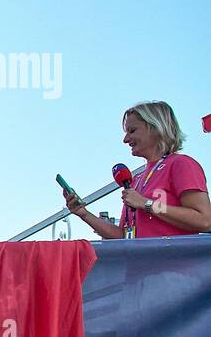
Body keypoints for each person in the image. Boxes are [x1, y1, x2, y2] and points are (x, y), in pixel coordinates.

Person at [64, 101, 211, 238]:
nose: (125, 139)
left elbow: (204, 220)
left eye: (132, 131)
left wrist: (146, 204)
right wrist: (83, 213)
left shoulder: (181, 164)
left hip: (174, 265)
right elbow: (122, 234)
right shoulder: (136, 179)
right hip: (139, 265)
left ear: (156, 128)